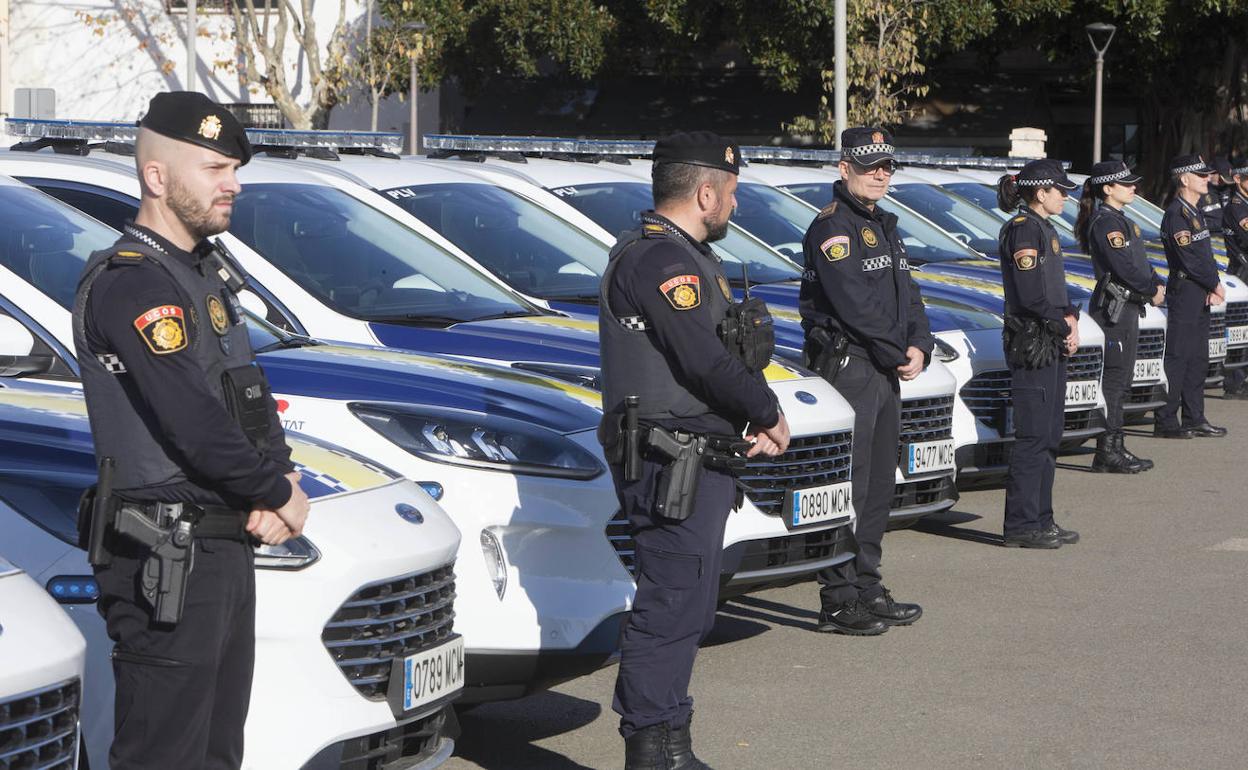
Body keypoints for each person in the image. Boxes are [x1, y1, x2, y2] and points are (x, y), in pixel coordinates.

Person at [74, 92, 310, 769]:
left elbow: (247, 396)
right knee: (162, 755)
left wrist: (279, 478)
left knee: (214, 753)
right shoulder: (135, 285)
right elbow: (194, 422)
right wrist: (275, 491)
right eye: (214, 168)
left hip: (220, 545)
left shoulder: (203, 273)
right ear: (156, 178)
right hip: (164, 557)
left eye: (233, 169)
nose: (232, 184)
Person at [598, 130, 790, 770]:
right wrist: (765, 410)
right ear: (705, 192)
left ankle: (671, 742)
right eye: (731, 193)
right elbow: (704, 359)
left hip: (694, 456)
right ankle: (653, 749)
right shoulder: (662, 262)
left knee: (690, 601)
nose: (735, 206)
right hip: (667, 460)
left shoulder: (682, 255)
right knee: (672, 601)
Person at [798, 127, 932, 634]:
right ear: (844, 168)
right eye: (869, 164)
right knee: (845, 487)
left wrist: (920, 342)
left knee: (878, 484)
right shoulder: (833, 228)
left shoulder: (885, 225)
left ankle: (867, 583)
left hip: (885, 365)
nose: (880, 173)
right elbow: (855, 304)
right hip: (852, 366)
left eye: (887, 166)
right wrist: (898, 351)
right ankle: (837, 597)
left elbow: (909, 296)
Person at [994, 159, 1082, 549]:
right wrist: (1063, 324)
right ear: (1039, 192)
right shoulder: (1023, 229)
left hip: (1050, 340)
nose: (1065, 196)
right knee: (1032, 437)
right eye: (1060, 190)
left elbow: (1054, 292)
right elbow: (1031, 296)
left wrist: (1070, 318)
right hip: (1032, 343)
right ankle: (1022, 524)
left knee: (1049, 435)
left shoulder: (1044, 227)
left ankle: (1042, 519)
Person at [1074, 160, 1165, 472]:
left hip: (1126, 308)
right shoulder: (1106, 222)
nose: (1133, 188)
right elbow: (1124, 268)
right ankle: (1106, 451)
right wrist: (1151, 288)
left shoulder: (1120, 220)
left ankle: (1117, 445)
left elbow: (1139, 260)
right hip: (1114, 309)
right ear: (1108, 189)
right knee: (1114, 381)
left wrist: (1156, 281)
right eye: (1126, 184)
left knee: (1122, 380)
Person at [1154, 154, 1229, 438]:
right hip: (1186, 290)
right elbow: (1188, 260)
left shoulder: (1194, 211)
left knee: (1198, 357)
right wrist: (1214, 284)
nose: (1206, 178)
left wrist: (1213, 283)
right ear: (1184, 180)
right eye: (1200, 175)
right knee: (1179, 356)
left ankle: (1194, 417)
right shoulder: (1176, 214)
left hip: (1199, 289)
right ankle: (1166, 420)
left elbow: (1205, 256)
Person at [1219, 155, 1248, 399]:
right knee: (1240, 329)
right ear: (1238, 179)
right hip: (1242, 272)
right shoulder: (1236, 207)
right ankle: (1234, 382)